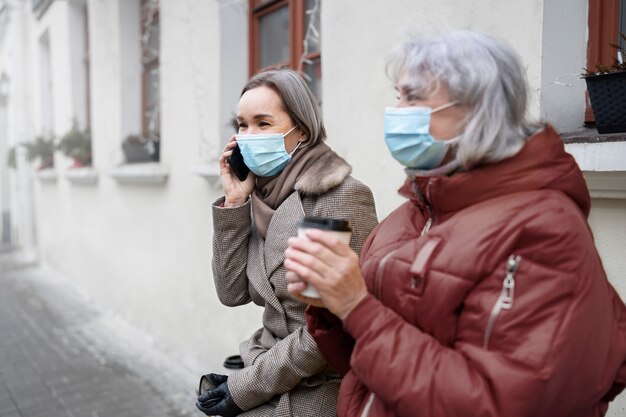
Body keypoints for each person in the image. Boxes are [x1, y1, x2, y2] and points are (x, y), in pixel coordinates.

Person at [284, 31, 626, 416]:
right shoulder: (411, 214)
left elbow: (493, 403)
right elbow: (366, 366)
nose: (396, 111)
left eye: (413, 97)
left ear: (478, 111)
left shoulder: (544, 229)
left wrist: (356, 305)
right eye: (397, 96)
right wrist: (331, 306)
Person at [197, 67, 378, 417]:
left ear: (303, 132)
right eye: (242, 125)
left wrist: (245, 387)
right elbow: (232, 293)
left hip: (317, 389)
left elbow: (326, 332)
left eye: (263, 124)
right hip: (266, 367)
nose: (248, 136)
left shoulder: (336, 197)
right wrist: (234, 203)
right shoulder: (261, 196)